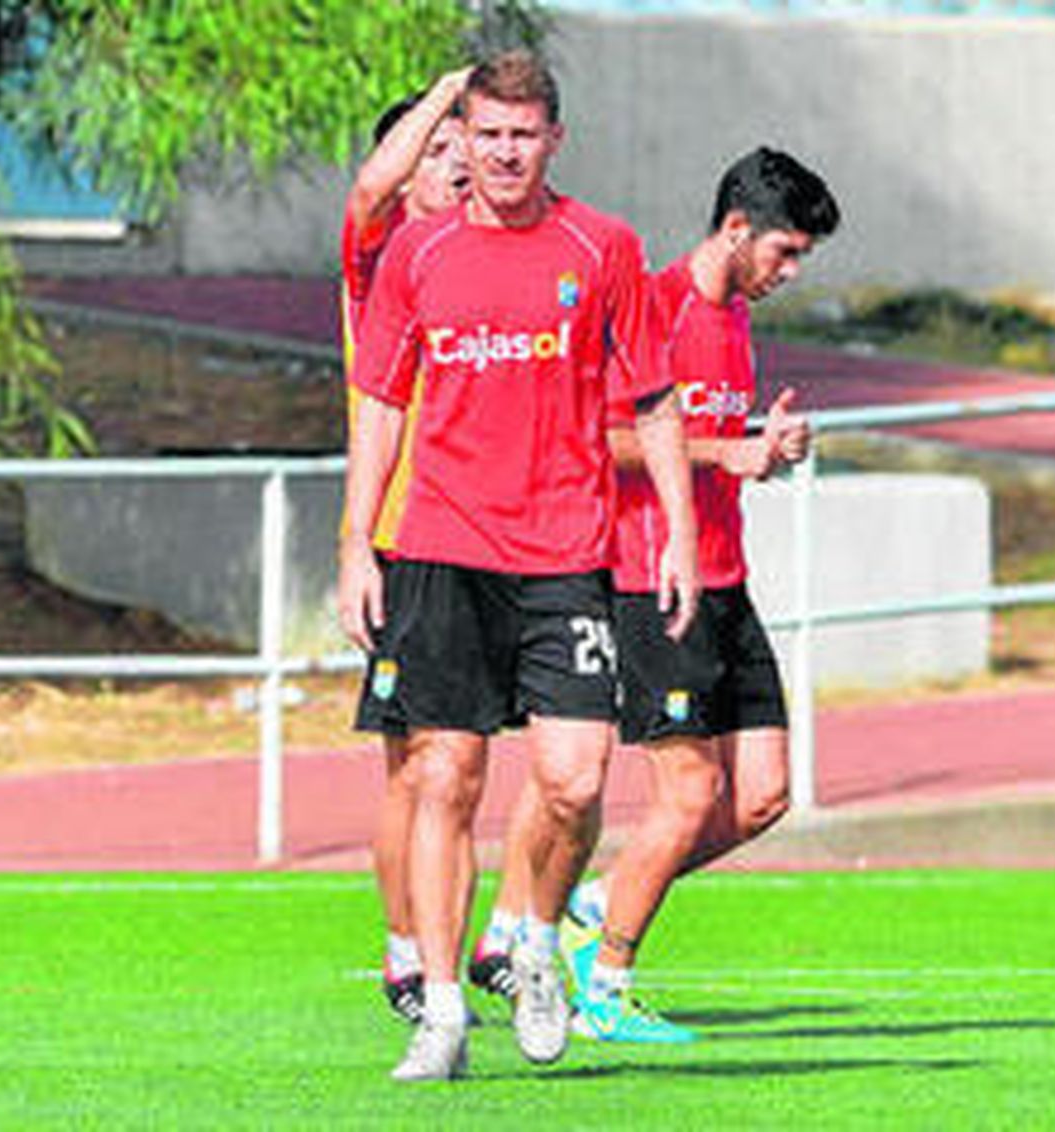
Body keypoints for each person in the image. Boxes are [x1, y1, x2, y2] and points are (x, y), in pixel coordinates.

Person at [339, 49, 699, 1082]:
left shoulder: (605, 246)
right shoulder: (416, 253)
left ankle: (533, 939)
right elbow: (382, 404)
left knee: (574, 778)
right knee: (444, 775)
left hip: (565, 555)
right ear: (468, 137)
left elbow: (652, 400)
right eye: (485, 136)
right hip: (443, 553)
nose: (501, 154)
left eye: (519, 136)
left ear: (552, 140)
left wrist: (673, 529)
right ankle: (441, 1011)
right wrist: (354, 543)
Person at [563, 146, 841, 1041]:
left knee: (762, 797)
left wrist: (768, 446)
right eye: (784, 253)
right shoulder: (649, 306)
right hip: (655, 581)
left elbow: (716, 444)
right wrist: (732, 453)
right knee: (685, 798)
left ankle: (599, 900)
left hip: (729, 576)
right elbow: (602, 440)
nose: (789, 273)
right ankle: (604, 986)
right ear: (734, 228)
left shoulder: (737, 320)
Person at [339, 68, 473, 1028]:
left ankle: (481, 948)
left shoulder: (485, 253)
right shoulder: (381, 256)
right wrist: (445, 92)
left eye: (465, 143)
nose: (459, 158)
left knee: (466, 766)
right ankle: (408, 950)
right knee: (416, 763)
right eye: (437, 147)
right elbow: (367, 191)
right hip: (402, 538)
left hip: (495, 539)